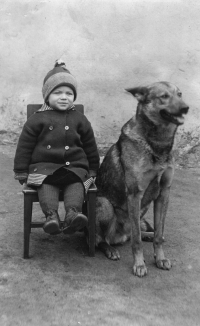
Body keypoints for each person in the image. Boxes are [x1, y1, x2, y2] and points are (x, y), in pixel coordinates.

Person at [14, 60, 100, 235]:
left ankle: (72, 215)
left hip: (74, 168)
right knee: (46, 186)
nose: (64, 97)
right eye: (58, 92)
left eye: (69, 93)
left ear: (74, 97)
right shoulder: (37, 119)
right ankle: (51, 217)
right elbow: (24, 146)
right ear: (47, 96)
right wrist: (21, 170)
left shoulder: (79, 119)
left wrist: (93, 169)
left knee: (77, 185)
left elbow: (90, 146)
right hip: (45, 168)